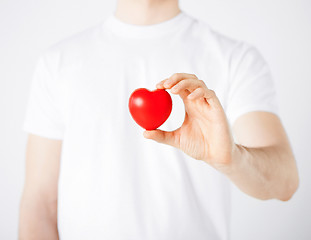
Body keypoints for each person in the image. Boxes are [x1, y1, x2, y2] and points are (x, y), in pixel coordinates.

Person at [18, 0, 299, 239]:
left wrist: (232, 158)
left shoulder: (236, 59)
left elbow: (285, 182)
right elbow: (40, 203)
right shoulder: (58, 62)